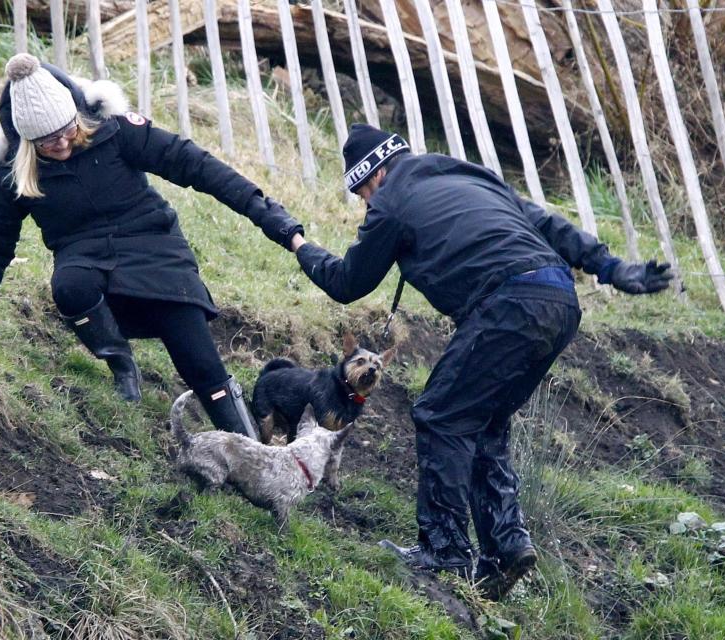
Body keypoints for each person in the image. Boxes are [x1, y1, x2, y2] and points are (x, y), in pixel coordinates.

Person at [287, 123, 672, 598]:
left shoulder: (389, 202)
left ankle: (444, 552)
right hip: (558, 300)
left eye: (362, 192)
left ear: (374, 175)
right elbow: (546, 223)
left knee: (440, 414)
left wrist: (300, 246)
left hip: (509, 302)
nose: (365, 204)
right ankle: (505, 549)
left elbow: (348, 282)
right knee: (481, 420)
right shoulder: (466, 173)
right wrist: (612, 268)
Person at [0, 54, 302, 438]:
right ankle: (121, 364)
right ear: (26, 142)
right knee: (70, 286)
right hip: (85, 259)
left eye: (67, 130)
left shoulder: (117, 130)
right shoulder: (14, 172)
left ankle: (249, 450)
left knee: (201, 365)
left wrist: (272, 217)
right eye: (46, 141)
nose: (61, 143)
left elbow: (197, 166)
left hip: (155, 250)